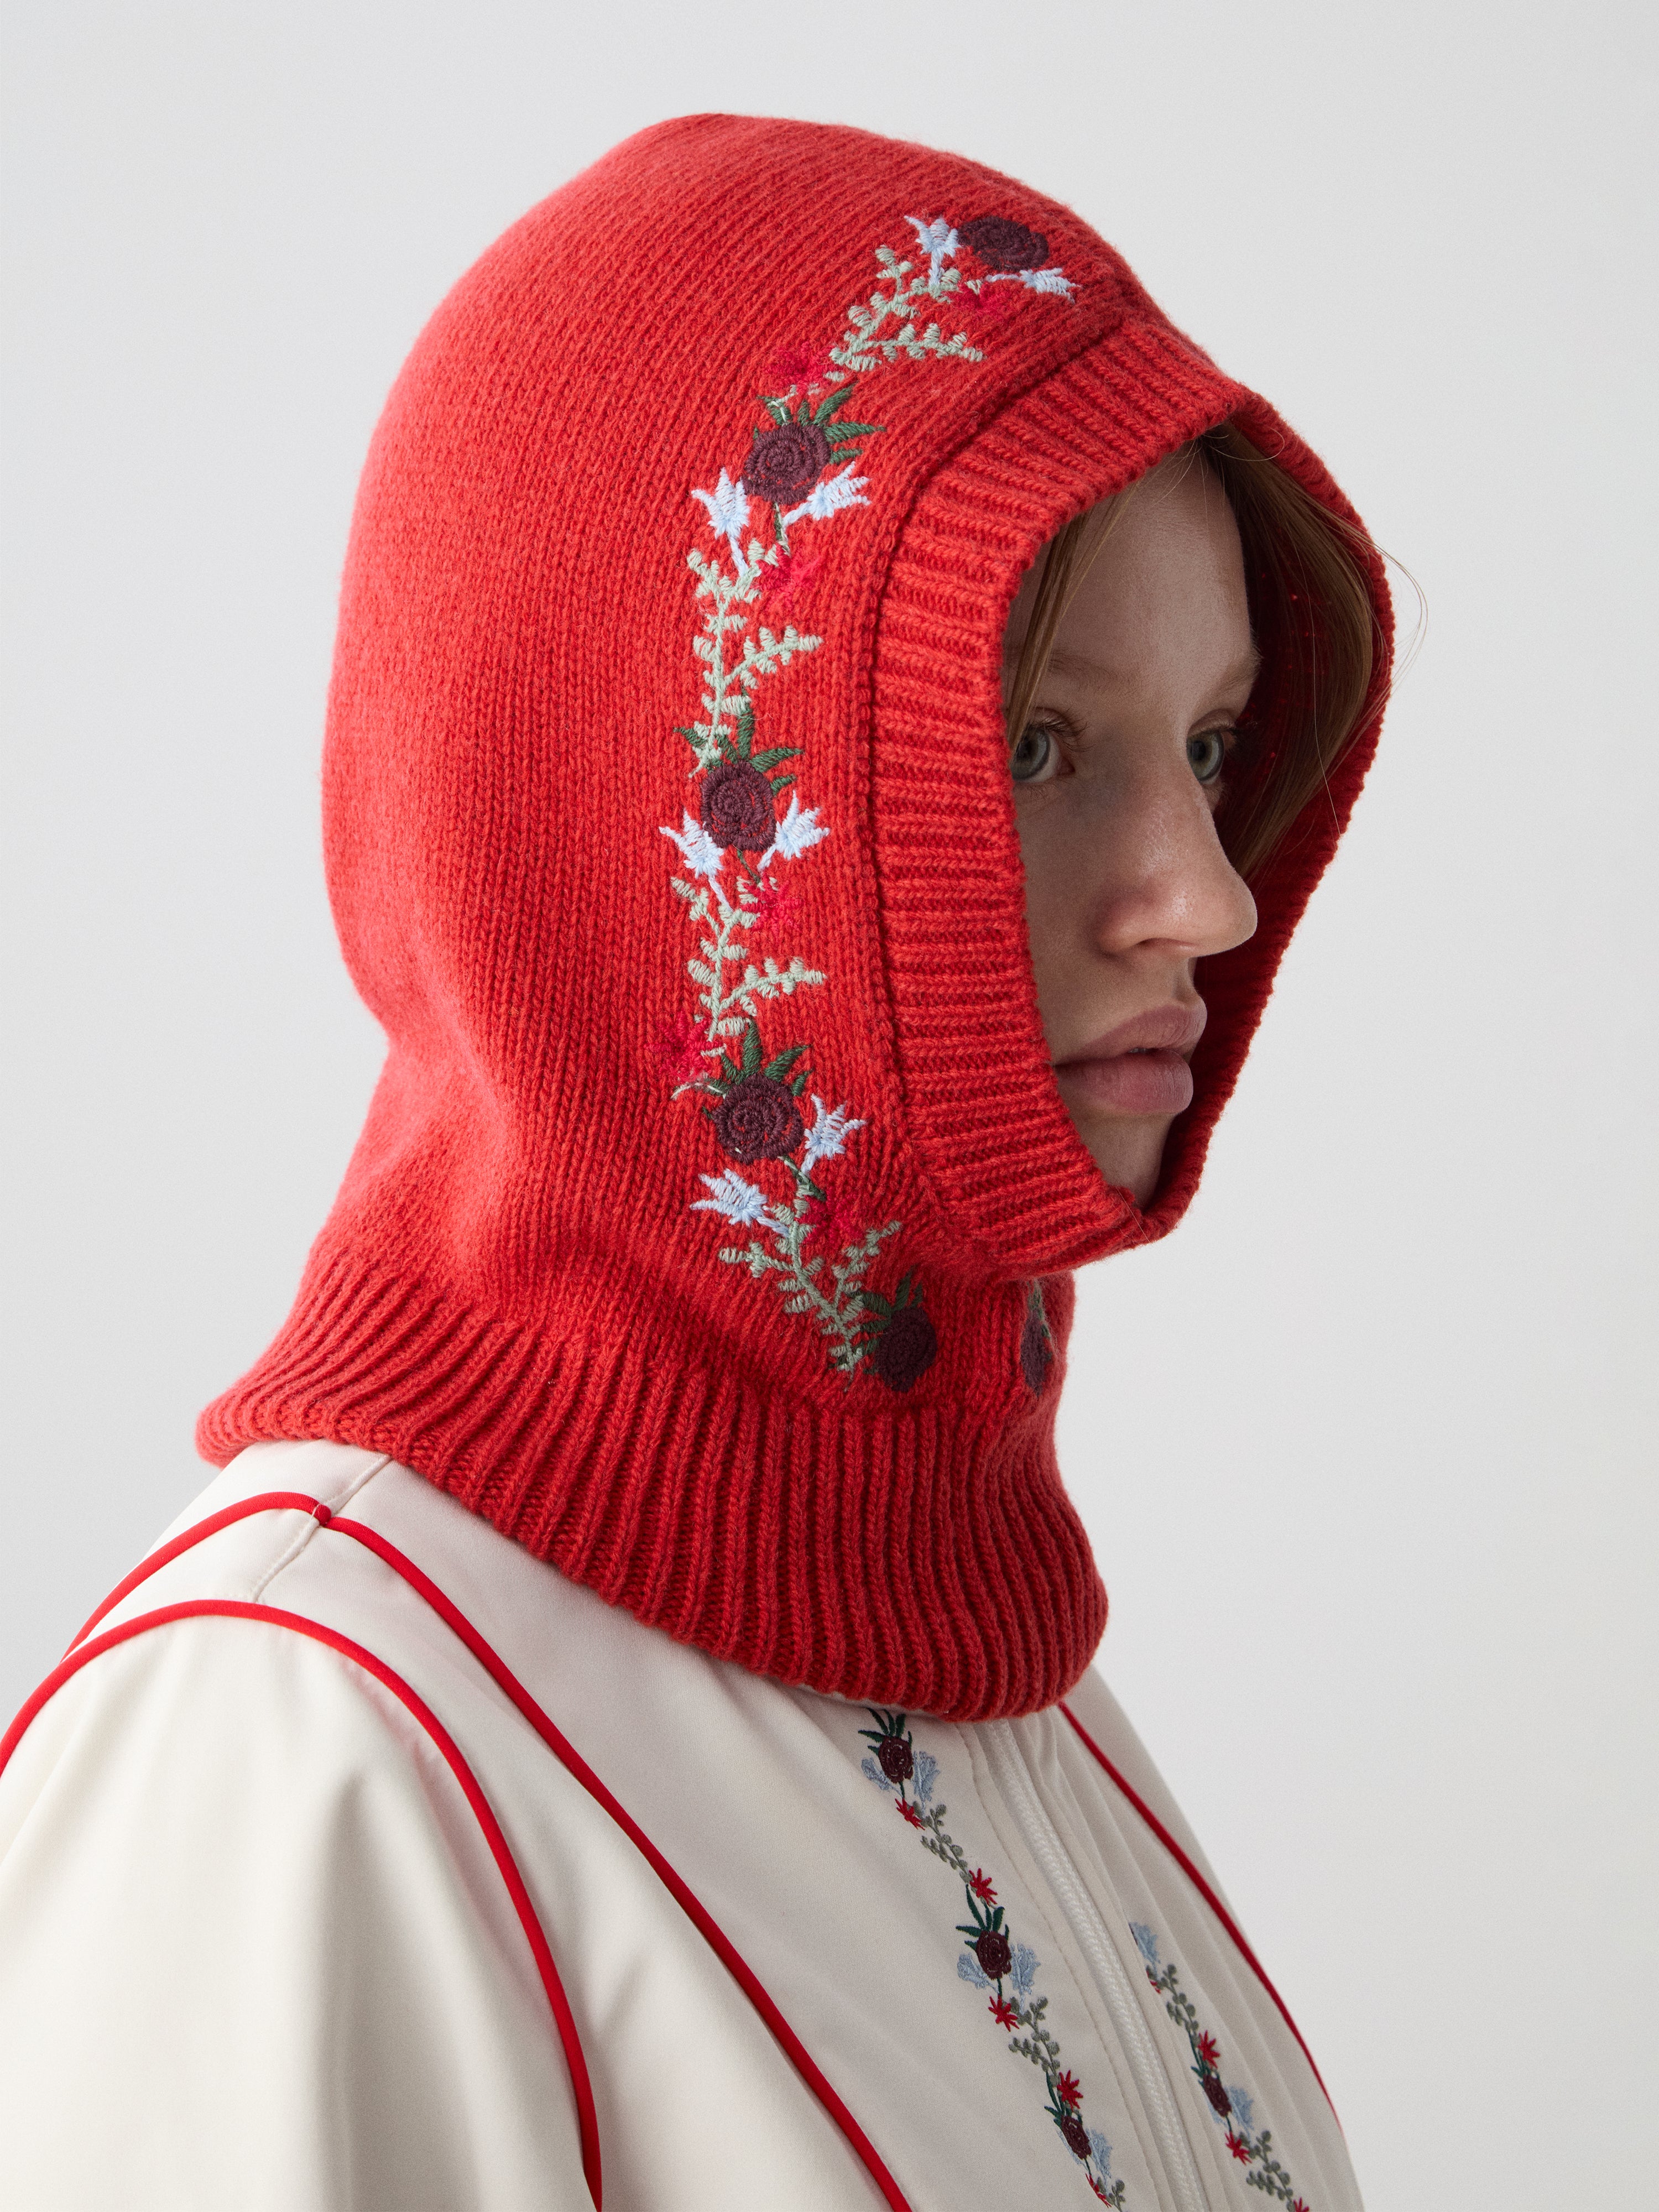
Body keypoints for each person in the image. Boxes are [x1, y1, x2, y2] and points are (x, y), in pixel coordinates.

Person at [0, 113, 1390, 2209]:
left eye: (1207, 746)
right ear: (643, 810)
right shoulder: (299, 1759)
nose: (1199, 892)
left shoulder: (996, 1670)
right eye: (1038, 747)